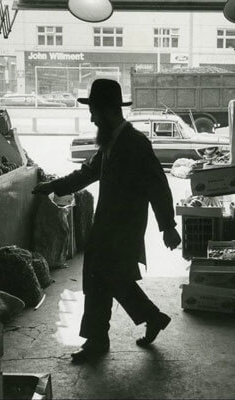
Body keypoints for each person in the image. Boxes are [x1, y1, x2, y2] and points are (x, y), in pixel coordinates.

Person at [33, 79, 181, 364]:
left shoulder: (136, 143)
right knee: (111, 278)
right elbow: (88, 173)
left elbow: (158, 186)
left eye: (95, 112)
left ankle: (98, 340)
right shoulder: (111, 142)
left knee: (102, 277)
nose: (91, 118)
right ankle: (150, 318)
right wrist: (54, 186)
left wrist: (168, 227)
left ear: (108, 111)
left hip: (124, 228)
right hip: (108, 226)